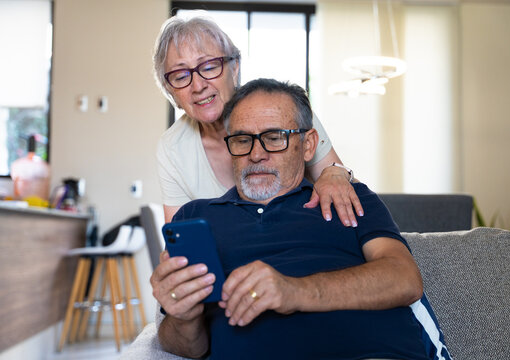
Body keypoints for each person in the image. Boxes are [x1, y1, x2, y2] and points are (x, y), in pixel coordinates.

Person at [151, 79, 452, 360]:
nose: (256, 154)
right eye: (243, 140)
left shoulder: (347, 197)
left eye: (274, 137)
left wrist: (293, 291)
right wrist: (183, 318)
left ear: (308, 145)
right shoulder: (197, 217)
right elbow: (186, 347)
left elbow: (404, 279)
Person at [152, 15, 363, 226]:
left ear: (234, 69)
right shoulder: (172, 148)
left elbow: (344, 189)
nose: (198, 86)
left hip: (303, 237)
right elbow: (180, 235)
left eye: (208, 67)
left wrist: (335, 173)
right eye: (180, 76)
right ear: (170, 91)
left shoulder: (284, 110)